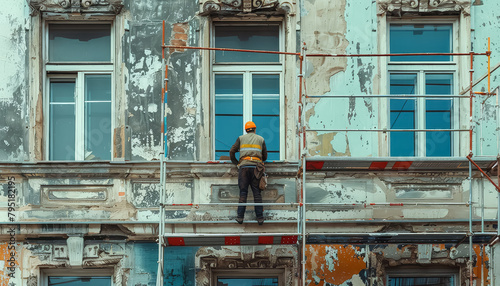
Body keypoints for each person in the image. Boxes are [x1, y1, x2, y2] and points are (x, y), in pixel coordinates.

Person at [229, 121, 268, 225]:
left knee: (243, 192)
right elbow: (265, 156)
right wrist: (258, 159)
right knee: (257, 193)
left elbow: (232, 151)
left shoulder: (241, 138)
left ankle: (240, 217)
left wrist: (237, 163)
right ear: (255, 129)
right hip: (257, 168)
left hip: (244, 168)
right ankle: (260, 218)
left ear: (246, 130)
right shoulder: (261, 139)